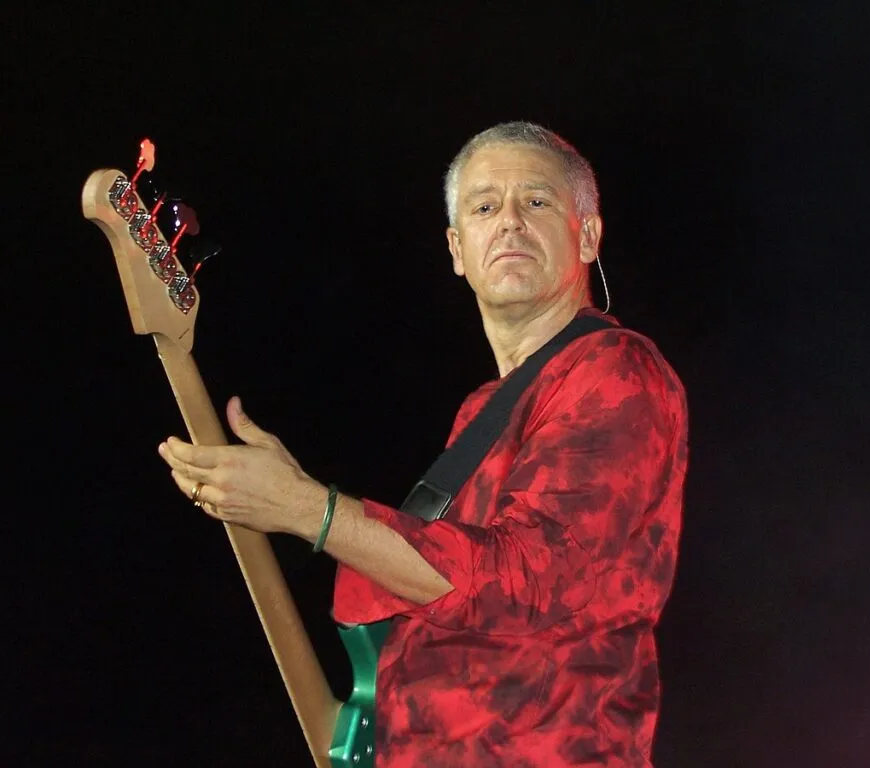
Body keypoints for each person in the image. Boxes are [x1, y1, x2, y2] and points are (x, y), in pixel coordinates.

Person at [157, 121, 689, 767]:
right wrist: (288, 499)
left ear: (589, 234)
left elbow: (527, 584)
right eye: (485, 206)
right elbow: (410, 593)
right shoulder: (485, 409)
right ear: (457, 248)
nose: (511, 222)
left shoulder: (614, 369)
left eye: (538, 202)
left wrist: (309, 510)